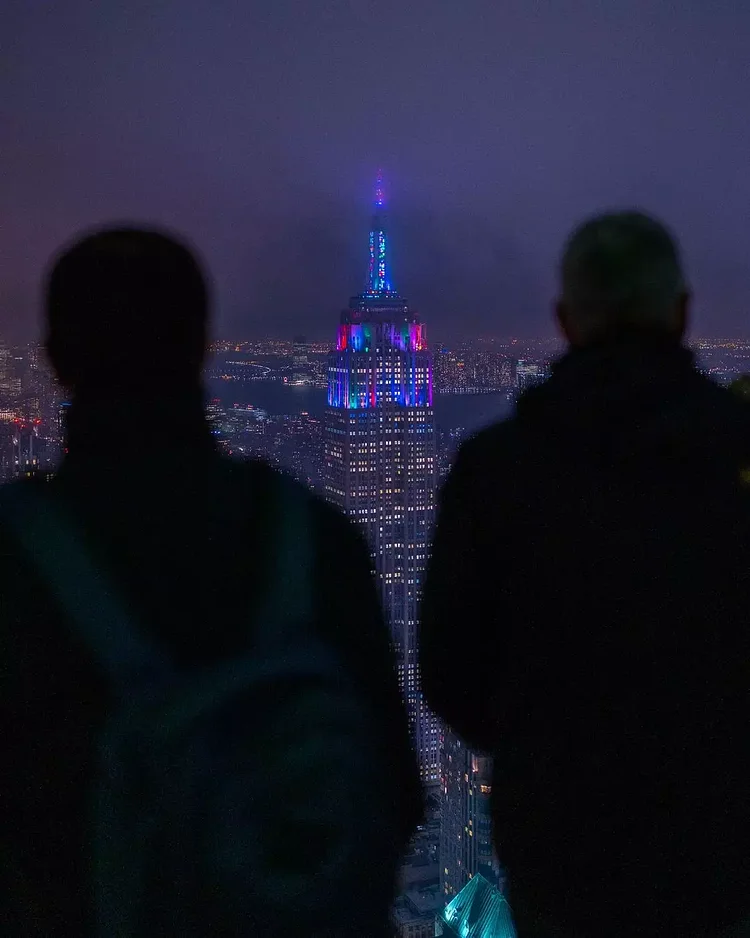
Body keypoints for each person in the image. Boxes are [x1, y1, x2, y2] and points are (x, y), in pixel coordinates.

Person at [0, 227, 422, 936]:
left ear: (55, 362)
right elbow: (393, 788)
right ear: (203, 348)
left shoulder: (17, 559)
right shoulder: (311, 539)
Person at [420, 211, 750, 938]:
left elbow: (448, 674)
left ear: (565, 319)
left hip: (561, 840)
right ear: (682, 312)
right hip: (724, 831)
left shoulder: (497, 473)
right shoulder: (736, 457)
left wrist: (544, 738)